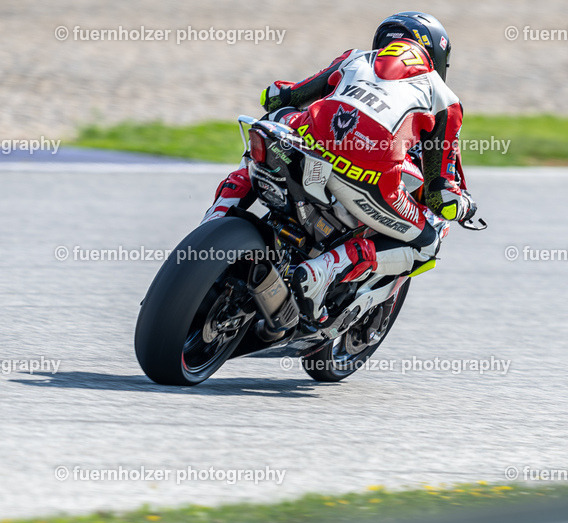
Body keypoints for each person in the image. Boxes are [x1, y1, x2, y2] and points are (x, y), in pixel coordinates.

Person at [202, 11, 477, 322]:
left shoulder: (354, 58)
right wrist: (463, 206)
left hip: (310, 143)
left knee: (275, 123)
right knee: (428, 242)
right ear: (438, 58)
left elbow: (282, 97)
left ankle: (212, 222)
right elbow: (441, 192)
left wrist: (276, 95)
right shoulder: (446, 98)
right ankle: (322, 271)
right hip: (367, 178)